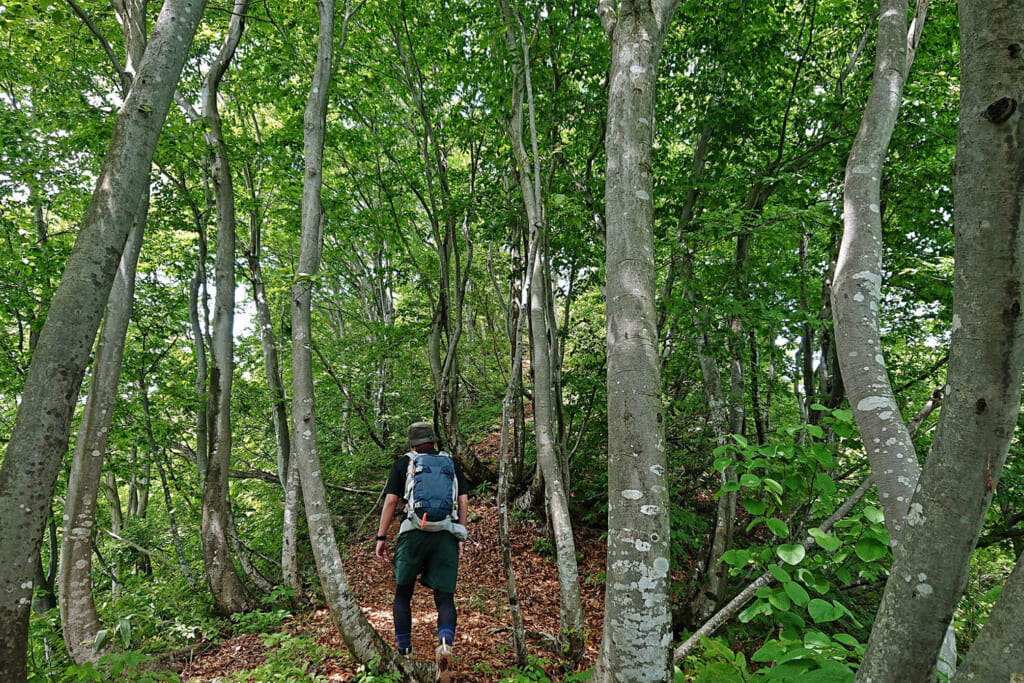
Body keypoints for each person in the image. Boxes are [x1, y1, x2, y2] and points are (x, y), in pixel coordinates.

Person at [375, 421, 469, 679]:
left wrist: (381, 537)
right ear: (434, 441)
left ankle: (405, 652)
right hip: (445, 535)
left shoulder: (403, 463)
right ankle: (445, 644)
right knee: (445, 598)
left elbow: (392, 501)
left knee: (403, 595)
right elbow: (462, 499)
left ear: (412, 443)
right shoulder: (450, 463)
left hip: (413, 534)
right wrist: (459, 534)